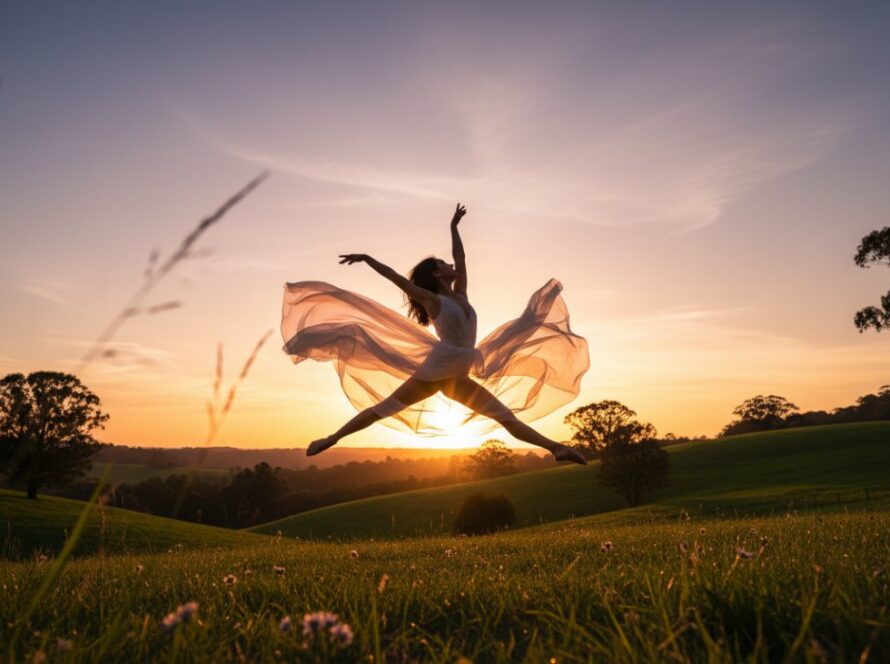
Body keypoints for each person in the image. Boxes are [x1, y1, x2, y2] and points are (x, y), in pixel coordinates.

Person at [281, 203, 589, 464]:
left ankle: (556, 449)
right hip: (440, 367)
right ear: (437, 273)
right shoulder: (434, 301)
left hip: (458, 373)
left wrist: (454, 226)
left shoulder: (462, 295)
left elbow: (462, 258)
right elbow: (399, 281)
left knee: (504, 417)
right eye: (443, 262)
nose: (451, 262)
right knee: (384, 409)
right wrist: (367, 259)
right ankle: (331, 439)